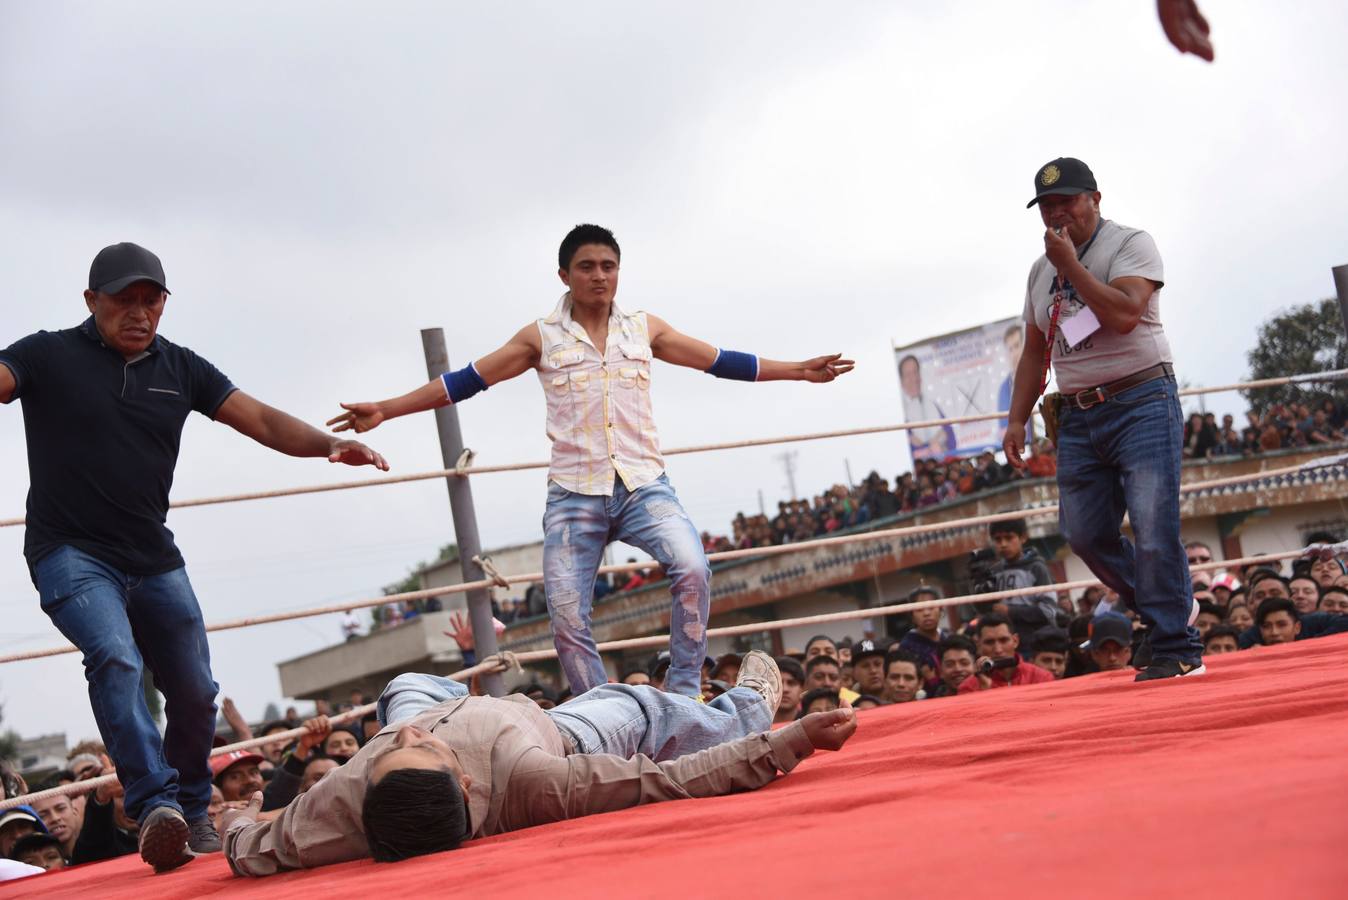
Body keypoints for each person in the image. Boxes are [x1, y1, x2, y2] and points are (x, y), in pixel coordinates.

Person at [328, 225, 852, 698]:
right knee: (565, 611)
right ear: (565, 275)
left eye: (608, 266)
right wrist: (388, 409)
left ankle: (684, 693)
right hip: (575, 494)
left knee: (692, 566)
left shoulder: (644, 328)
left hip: (645, 484)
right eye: (587, 266)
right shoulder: (540, 336)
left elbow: (718, 361)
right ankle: (600, 711)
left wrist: (797, 371)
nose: (600, 276)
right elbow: (465, 380)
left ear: (619, 272)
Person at [0, 243, 389, 872]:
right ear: (91, 300)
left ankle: (190, 808)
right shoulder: (48, 353)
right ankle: (156, 807)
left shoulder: (179, 368)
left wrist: (328, 446)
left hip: (152, 556)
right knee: (115, 657)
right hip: (69, 553)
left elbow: (259, 417)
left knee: (196, 690)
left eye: (151, 300)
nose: (139, 312)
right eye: (124, 299)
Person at [222, 652, 856, 874]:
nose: (404, 737)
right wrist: (788, 740)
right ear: (464, 782)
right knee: (636, 704)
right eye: (415, 746)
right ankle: (746, 706)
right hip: (552, 730)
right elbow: (665, 781)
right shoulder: (534, 784)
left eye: (392, 747)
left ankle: (423, 693)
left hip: (443, 701)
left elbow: (246, 848)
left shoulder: (336, 805)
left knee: (404, 687)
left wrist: (238, 812)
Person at [1003, 158, 1204, 682]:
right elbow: (1033, 350)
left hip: (1141, 398)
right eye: (1047, 206)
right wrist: (1016, 419)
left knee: (1153, 524)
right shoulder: (1038, 269)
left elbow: (1121, 315)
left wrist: (1071, 266)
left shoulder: (1131, 243)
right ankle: (1172, 609)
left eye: (1066, 201)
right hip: (1078, 413)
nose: (1057, 213)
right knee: (1085, 533)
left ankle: (1176, 646)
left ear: (1095, 197)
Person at [984, 519, 1059, 632]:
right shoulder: (994, 571)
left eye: (1009, 538)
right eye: (998, 539)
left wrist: (1010, 611)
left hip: (1035, 638)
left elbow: (1048, 610)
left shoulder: (1036, 568)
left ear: (1023, 537)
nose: (1003, 544)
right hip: (1005, 639)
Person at [957, 614, 1055, 693]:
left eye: (1004, 640)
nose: (998, 649)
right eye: (989, 642)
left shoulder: (1041, 678)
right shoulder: (968, 688)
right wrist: (984, 691)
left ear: (1015, 641)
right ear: (978, 645)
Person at [898, 354, 956, 459]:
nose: (913, 378)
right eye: (908, 374)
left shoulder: (933, 405)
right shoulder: (902, 415)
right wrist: (929, 446)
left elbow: (950, 438)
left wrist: (938, 443)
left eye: (915, 372)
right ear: (902, 381)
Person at [897, 590, 947, 691]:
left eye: (931, 608)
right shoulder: (907, 646)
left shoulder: (947, 638)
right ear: (912, 616)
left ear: (940, 610)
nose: (926, 613)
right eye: (919, 610)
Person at [774, 657, 806, 725]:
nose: (785, 689)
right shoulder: (754, 725)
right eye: (778, 683)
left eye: (791, 683)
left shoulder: (810, 724)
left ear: (802, 689)